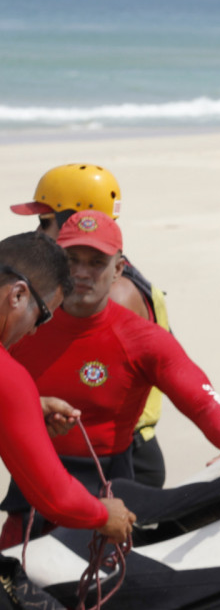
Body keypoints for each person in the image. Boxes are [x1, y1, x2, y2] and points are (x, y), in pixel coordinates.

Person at [2, 211, 220, 548]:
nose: (81, 272)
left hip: (109, 487)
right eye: (71, 260)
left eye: (96, 262)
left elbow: (198, 392)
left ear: (119, 269)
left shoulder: (140, 338)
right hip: (31, 487)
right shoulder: (21, 322)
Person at [11, 163, 171, 487]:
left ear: (75, 221)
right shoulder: (106, 277)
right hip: (79, 449)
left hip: (116, 460)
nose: (38, 233)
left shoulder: (113, 296)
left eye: (44, 222)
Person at [0, 232, 135, 546]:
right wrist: (104, 515)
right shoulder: (7, 374)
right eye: (42, 315)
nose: (33, 331)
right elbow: (55, 496)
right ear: (18, 295)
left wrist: (31, 405)